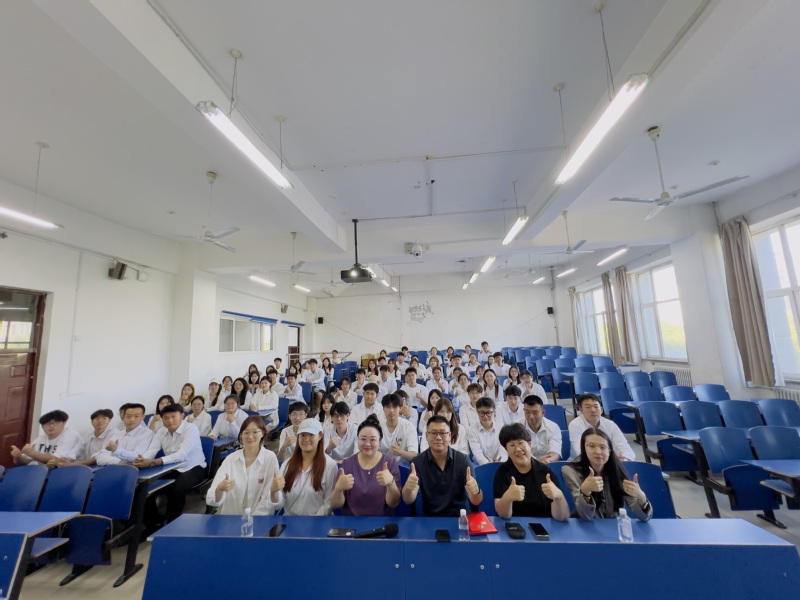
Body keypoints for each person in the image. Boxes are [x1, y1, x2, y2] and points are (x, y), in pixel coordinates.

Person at [133, 404, 207, 523]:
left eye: (173, 416)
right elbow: (152, 450)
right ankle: (154, 524)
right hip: (172, 468)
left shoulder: (191, 429)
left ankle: (172, 523)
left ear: (182, 415)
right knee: (144, 489)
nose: (170, 420)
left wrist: (153, 462)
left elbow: (182, 455)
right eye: (166, 418)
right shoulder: (161, 431)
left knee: (177, 488)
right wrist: (142, 460)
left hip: (194, 467)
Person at [562, 428, 652, 521]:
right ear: (584, 448)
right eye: (591, 446)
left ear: (610, 451)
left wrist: (641, 498)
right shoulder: (571, 471)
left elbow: (644, 517)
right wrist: (585, 492)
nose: (598, 451)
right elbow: (585, 516)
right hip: (585, 526)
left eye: (603, 447)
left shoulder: (616, 469)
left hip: (613, 525)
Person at [402, 415, 483, 516]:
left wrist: (475, 491)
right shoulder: (417, 463)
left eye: (443, 433)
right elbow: (408, 500)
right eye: (433, 433)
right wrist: (408, 488)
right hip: (431, 519)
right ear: (426, 436)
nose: (438, 437)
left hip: (460, 519)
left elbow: (476, 501)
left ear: (449, 436)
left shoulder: (463, 460)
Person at [206, 416, 281, 515]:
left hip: (259, 518)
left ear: (262, 433)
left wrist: (253, 520)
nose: (250, 436)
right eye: (246, 432)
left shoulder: (269, 458)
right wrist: (219, 489)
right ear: (241, 435)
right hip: (231, 517)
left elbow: (268, 499)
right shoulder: (230, 459)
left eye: (255, 432)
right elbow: (211, 499)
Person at [493, 423, 569, 520]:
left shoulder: (545, 471)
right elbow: (503, 515)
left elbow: (563, 517)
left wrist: (558, 496)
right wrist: (508, 498)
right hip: (515, 526)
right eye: (512, 445)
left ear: (529, 444)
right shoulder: (502, 472)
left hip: (546, 526)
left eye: (521, 443)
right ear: (506, 449)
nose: (518, 449)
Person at [331, 415, 402, 516]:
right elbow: (335, 504)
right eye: (363, 439)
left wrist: (391, 482)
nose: (367, 444)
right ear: (357, 440)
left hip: (382, 522)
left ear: (379, 441)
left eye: (372, 440)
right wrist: (338, 489)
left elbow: (393, 503)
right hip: (351, 522)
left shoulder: (390, 463)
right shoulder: (347, 464)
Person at [271, 418, 338, 515]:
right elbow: (280, 504)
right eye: (302, 435)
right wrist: (273, 492)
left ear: (320, 436)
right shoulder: (287, 464)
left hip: (318, 521)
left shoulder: (330, 465)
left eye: (311, 435)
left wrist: (311, 521)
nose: (306, 439)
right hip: (290, 521)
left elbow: (328, 503)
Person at [568, 393, 635, 461]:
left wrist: (625, 459)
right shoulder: (575, 425)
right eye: (588, 407)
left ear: (601, 410)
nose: (593, 410)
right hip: (582, 462)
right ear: (581, 410)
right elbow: (579, 451)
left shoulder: (610, 424)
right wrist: (608, 458)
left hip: (609, 461)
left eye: (596, 406)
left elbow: (626, 449)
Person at [11, 409, 83, 465]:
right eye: (47, 423)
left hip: (67, 471)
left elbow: (56, 460)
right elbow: (28, 461)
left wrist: (31, 453)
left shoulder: (71, 435)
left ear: (64, 423)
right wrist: (18, 456)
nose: (51, 426)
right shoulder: (40, 439)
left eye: (55, 422)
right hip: (44, 471)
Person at [466, 398, 507, 465]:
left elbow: (503, 450)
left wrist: (497, 462)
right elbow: (477, 452)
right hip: (479, 464)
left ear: (494, 411)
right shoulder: (472, 430)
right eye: (482, 413)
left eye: (488, 413)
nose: (485, 416)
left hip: (499, 463)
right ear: (477, 412)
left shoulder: (501, 428)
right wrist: (487, 464)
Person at [522, 394, 561, 464]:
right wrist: (535, 462)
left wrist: (547, 460)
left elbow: (555, 453)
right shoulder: (517, 427)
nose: (531, 416)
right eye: (527, 412)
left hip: (547, 464)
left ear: (543, 413)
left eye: (535, 413)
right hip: (524, 464)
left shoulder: (553, 427)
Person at [380, 393, 419, 461]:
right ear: (383, 408)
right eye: (388, 407)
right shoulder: (378, 427)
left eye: (394, 407)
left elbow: (414, 455)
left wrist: (401, 452)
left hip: (401, 466)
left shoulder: (409, 427)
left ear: (400, 408)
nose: (391, 410)